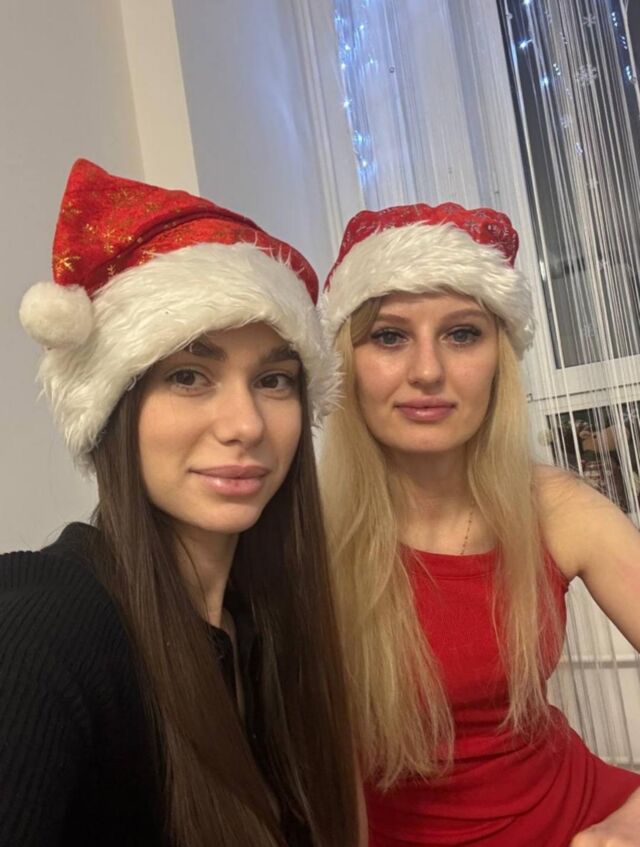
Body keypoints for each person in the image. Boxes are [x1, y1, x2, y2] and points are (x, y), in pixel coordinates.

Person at [0, 159, 360, 847]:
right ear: (115, 405)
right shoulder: (40, 634)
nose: (246, 424)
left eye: (274, 380)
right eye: (190, 375)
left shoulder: (263, 629)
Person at [319, 202, 640, 846]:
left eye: (462, 334)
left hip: (575, 822)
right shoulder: (300, 534)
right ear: (347, 362)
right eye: (389, 336)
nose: (428, 371)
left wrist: (626, 827)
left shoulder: (557, 508)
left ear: (500, 357)